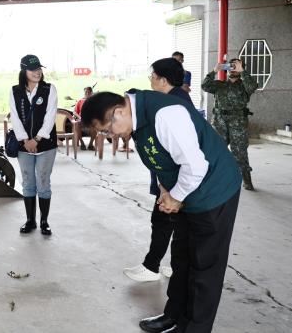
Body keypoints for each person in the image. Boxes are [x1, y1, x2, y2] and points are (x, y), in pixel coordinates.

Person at [81, 91, 242, 333]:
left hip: (214, 191)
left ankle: (195, 328)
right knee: (181, 258)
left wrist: (175, 197)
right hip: (186, 193)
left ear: (119, 112)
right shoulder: (136, 121)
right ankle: (174, 315)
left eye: (107, 130)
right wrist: (166, 191)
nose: (110, 136)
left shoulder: (166, 115)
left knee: (204, 266)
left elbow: (196, 166)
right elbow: (160, 161)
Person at [124, 58, 192, 283]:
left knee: (168, 221)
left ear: (163, 80)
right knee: (166, 221)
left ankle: (155, 266)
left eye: (152, 77)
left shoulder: (173, 104)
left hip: (177, 180)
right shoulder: (171, 98)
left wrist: (167, 188)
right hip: (168, 179)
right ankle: (161, 265)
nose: (150, 81)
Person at [9, 55, 58, 236]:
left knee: (43, 183)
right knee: (28, 183)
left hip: (45, 144)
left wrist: (36, 140)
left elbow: (50, 117)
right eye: (32, 69)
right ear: (24, 71)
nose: (37, 72)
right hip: (24, 146)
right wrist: (25, 141)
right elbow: (15, 117)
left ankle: (44, 221)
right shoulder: (15, 91)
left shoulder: (49, 89)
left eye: (39, 69)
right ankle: (30, 220)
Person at [202, 58, 257, 191]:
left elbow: (252, 87)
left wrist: (242, 71)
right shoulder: (219, 85)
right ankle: (214, 180)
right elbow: (205, 86)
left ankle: (246, 180)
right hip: (219, 122)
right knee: (216, 152)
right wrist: (215, 71)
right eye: (231, 66)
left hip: (238, 123)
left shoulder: (245, 85)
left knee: (240, 153)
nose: (233, 68)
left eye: (236, 66)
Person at [74, 86, 96, 151]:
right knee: (77, 124)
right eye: (86, 92)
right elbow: (74, 112)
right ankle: (82, 143)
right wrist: (80, 117)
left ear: (91, 93)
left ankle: (90, 144)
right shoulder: (80, 101)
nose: (87, 93)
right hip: (81, 120)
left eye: (89, 92)